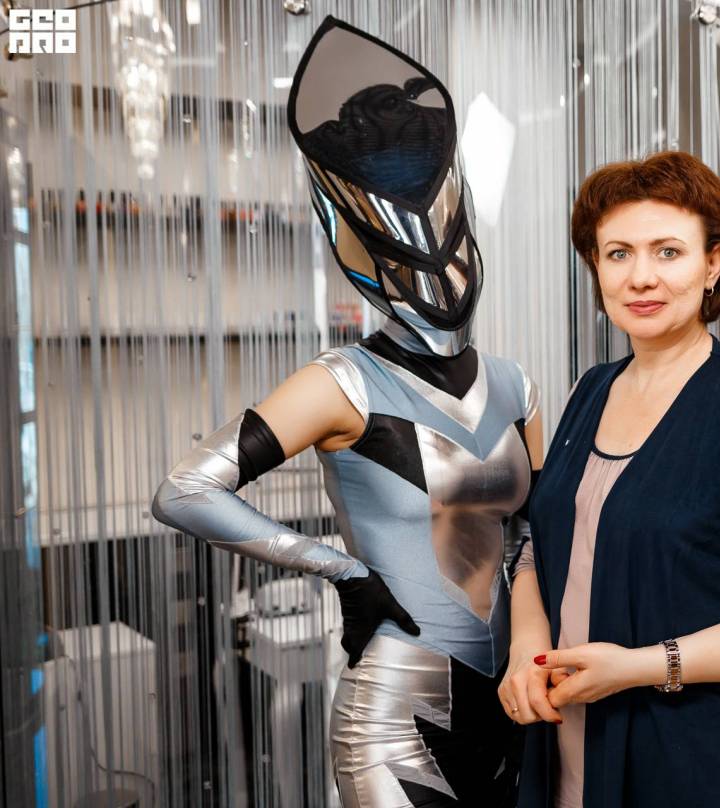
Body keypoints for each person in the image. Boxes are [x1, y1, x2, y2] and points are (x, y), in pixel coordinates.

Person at [151, 17, 540, 807]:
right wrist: (342, 569)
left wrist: (534, 639)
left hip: (509, 708)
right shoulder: (342, 382)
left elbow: (534, 527)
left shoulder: (515, 384)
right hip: (398, 717)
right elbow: (184, 491)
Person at [502, 150, 720, 808]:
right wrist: (528, 646)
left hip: (708, 762)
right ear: (596, 266)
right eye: (618, 254)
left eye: (668, 252)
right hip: (571, 747)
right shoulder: (588, 392)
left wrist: (640, 667)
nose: (641, 277)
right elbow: (538, 545)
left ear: (713, 264)